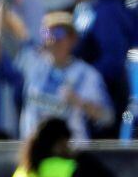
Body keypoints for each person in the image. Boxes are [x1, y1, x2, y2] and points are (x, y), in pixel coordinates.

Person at [17, 11, 113, 142]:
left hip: (70, 152)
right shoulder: (32, 64)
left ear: (72, 39)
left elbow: (108, 118)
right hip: (34, 153)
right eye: (46, 33)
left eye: (58, 33)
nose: (52, 39)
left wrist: (81, 103)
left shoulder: (87, 75)